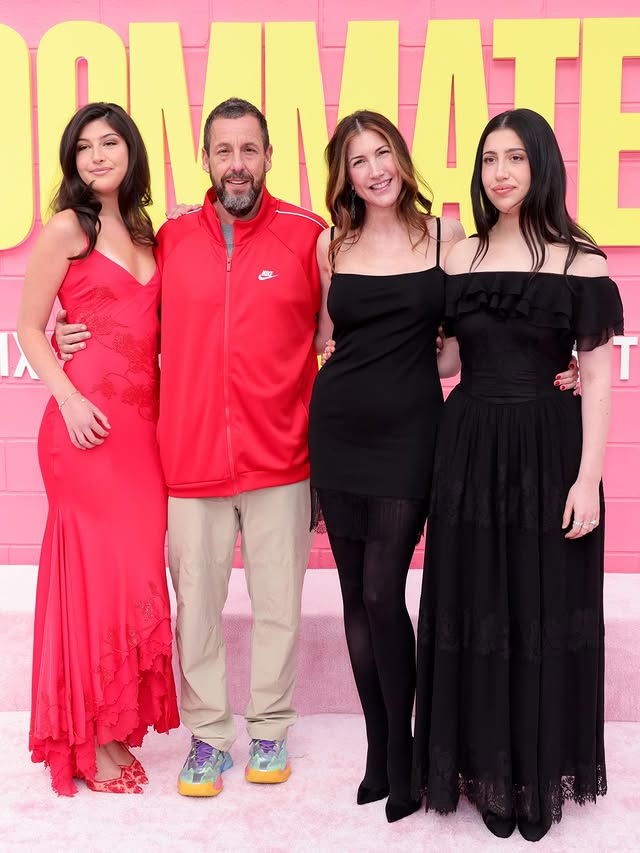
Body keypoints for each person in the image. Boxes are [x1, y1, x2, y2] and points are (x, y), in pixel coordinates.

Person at [308, 110, 580, 824]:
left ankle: (407, 758)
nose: (374, 170)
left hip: (412, 433)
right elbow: (326, 337)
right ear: (345, 176)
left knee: (382, 591)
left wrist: (564, 361)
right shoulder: (331, 243)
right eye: (358, 160)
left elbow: (468, 342)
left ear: (402, 158)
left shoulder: (447, 237)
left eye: (383, 153)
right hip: (338, 427)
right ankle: (380, 750)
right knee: (355, 597)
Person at [56, 98, 326, 797]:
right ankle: (208, 737)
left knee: (278, 606)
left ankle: (269, 727)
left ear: (269, 157)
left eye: (249, 149)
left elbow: (339, 333)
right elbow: (116, 304)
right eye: (223, 150)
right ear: (204, 159)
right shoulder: (170, 238)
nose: (237, 164)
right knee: (196, 612)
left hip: (281, 461)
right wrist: (66, 327)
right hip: (190, 461)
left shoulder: (307, 236)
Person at [412, 108, 623, 842]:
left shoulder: (581, 262)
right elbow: (447, 359)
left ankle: (536, 777)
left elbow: (598, 381)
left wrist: (588, 480)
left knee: (540, 605)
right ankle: (486, 774)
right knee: (477, 603)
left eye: (515, 158)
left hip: (548, 451)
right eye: (489, 159)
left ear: (542, 167)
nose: (499, 173)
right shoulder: (459, 256)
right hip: (469, 448)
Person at [17, 102, 179, 796]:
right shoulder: (67, 227)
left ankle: (112, 722)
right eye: (84, 147)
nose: (97, 156)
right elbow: (29, 327)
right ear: (72, 161)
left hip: (144, 433)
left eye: (109, 143)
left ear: (130, 151)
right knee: (93, 580)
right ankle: (89, 739)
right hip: (84, 430)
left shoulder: (147, 233)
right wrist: (69, 395)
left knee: (133, 575)